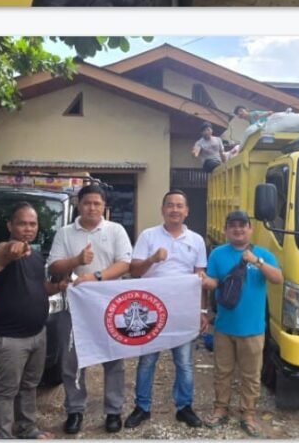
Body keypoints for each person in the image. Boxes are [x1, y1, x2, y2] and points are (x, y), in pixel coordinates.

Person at [48, 184, 132, 435]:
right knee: (72, 361)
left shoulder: (116, 230)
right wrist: (76, 261)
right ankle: (75, 410)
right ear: (79, 205)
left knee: (114, 360)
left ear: (104, 206)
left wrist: (96, 276)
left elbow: (125, 263)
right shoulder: (64, 233)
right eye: (87, 203)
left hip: (109, 306)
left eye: (97, 203)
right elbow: (54, 267)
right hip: (74, 307)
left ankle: (114, 411)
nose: (92, 207)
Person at [124, 190, 208, 430]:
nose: (174, 210)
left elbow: (200, 279)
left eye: (179, 206)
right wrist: (152, 259)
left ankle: (184, 407)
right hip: (152, 309)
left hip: (183, 311)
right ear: (163, 210)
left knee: (184, 362)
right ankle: (142, 407)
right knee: (147, 360)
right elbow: (135, 271)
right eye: (170, 205)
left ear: (187, 211)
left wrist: (202, 312)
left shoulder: (197, 240)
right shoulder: (149, 236)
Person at [0, 202, 67, 440]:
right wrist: (12, 247)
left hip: (37, 334)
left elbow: (40, 288)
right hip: (9, 339)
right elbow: (4, 252)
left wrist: (57, 287)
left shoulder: (35, 256)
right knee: (6, 391)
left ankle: (28, 430)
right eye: (22, 223)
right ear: (10, 225)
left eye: (32, 224)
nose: (28, 228)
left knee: (29, 386)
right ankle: (4, 437)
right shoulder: (0, 253)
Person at [201, 211, 283, 438]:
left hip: (253, 329)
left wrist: (256, 261)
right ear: (226, 230)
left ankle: (248, 414)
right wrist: (207, 282)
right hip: (225, 327)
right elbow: (215, 282)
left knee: (250, 375)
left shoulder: (263, 254)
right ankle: (220, 409)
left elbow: (278, 278)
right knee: (222, 372)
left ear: (250, 229)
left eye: (242, 225)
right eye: (233, 226)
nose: (238, 229)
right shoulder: (218, 254)